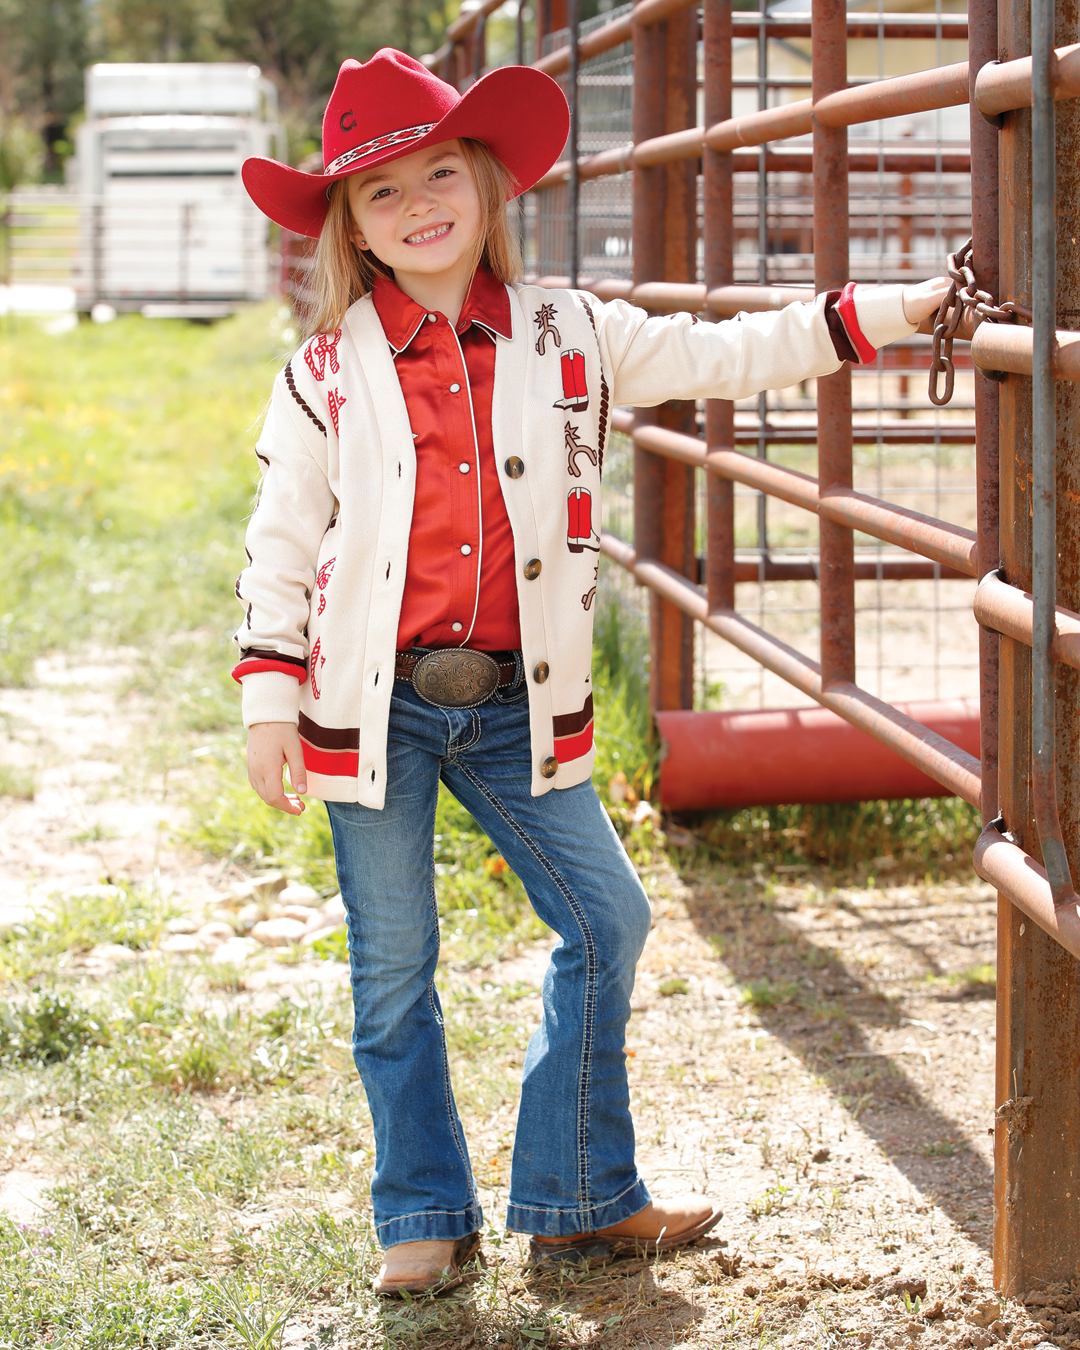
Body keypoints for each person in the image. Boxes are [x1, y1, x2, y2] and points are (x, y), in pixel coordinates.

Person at [233, 48, 951, 1297]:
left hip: (516, 707)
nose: (418, 207)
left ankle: (574, 1194)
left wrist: (892, 310)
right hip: (374, 707)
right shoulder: (324, 376)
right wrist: (266, 701)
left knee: (606, 920)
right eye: (382, 192)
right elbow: (282, 546)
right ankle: (421, 1211)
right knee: (395, 968)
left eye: (438, 174)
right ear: (350, 222)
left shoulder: (576, 334)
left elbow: (736, 351)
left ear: (488, 183)